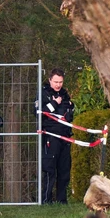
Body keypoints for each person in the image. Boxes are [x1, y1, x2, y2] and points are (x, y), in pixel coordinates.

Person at [38, 69, 75, 204]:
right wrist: (54, 104)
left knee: (64, 169)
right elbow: (38, 112)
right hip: (50, 136)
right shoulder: (43, 94)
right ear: (50, 80)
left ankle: (62, 200)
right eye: (55, 82)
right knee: (49, 169)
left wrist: (71, 107)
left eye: (60, 82)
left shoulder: (65, 95)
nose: (58, 85)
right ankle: (46, 200)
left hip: (65, 137)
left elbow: (69, 114)